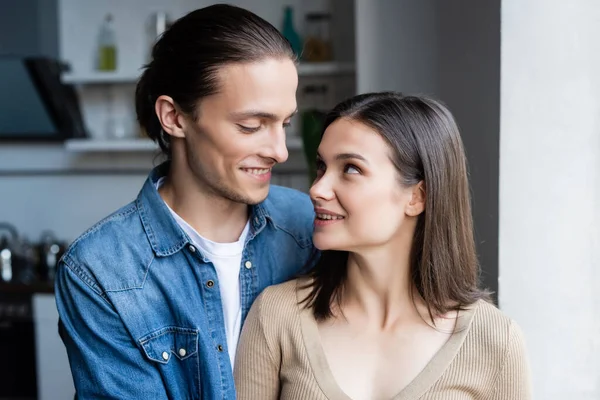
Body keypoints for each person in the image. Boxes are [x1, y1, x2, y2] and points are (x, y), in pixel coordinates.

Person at [55, 4, 315, 399]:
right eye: (251, 126)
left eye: (285, 123)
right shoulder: (100, 271)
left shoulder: (310, 226)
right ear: (174, 117)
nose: (280, 151)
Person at [234, 92, 532, 400]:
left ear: (418, 197)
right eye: (322, 167)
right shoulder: (276, 316)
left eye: (350, 168)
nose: (317, 188)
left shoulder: (496, 340)